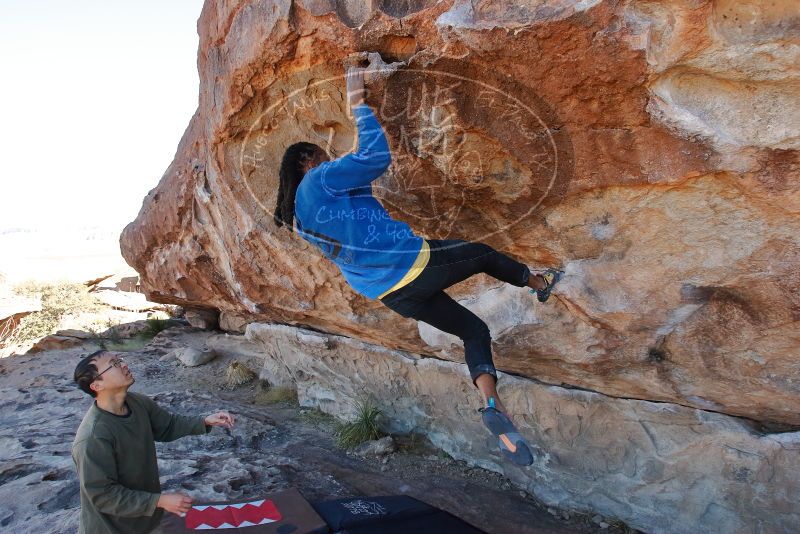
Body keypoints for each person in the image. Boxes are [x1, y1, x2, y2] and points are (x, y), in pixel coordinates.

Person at [274, 65, 563, 466]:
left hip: (394, 295)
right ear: (309, 161)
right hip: (411, 265)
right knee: (481, 253)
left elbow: (358, 187)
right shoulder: (318, 179)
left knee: (474, 330)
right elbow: (373, 158)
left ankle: (493, 405)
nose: (331, 160)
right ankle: (539, 283)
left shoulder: (303, 221)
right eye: (325, 157)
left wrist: (354, 154)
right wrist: (359, 105)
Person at [71, 349, 236, 533]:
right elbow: (103, 496)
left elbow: (168, 425)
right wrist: (160, 501)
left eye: (120, 360)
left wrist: (204, 421)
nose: (124, 365)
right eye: (114, 365)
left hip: (147, 522)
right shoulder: (93, 437)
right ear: (97, 386)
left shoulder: (137, 403)